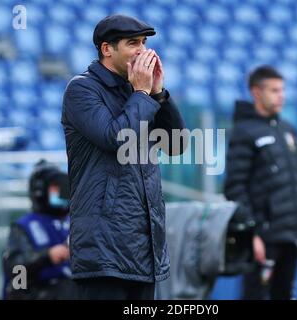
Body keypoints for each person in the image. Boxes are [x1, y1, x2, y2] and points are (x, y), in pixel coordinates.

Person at [61, 14, 186, 300]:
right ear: (107, 49)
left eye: (144, 42)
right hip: (103, 252)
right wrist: (142, 93)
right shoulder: (81, 89)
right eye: (133, 43)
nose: (143, 51)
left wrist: (159, 94)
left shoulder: (138, 92)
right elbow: (117, 139)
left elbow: (176, 144)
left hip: (145, 250)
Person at [223, 66, 297, 300]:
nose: (281, 95)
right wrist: (251, 234)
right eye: (274, 90)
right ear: (256, 92)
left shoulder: (287, 130)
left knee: (284, 295)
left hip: (292, 233)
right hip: (264, 238)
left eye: (282, 90)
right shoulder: (244, 132)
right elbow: (234, 187)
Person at [2, 160, 75, 299]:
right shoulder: (23, 226)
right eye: (56, 188)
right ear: (39, 191)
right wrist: (47, 257)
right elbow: (17, 272)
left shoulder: (75, 222)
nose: (62, 193)